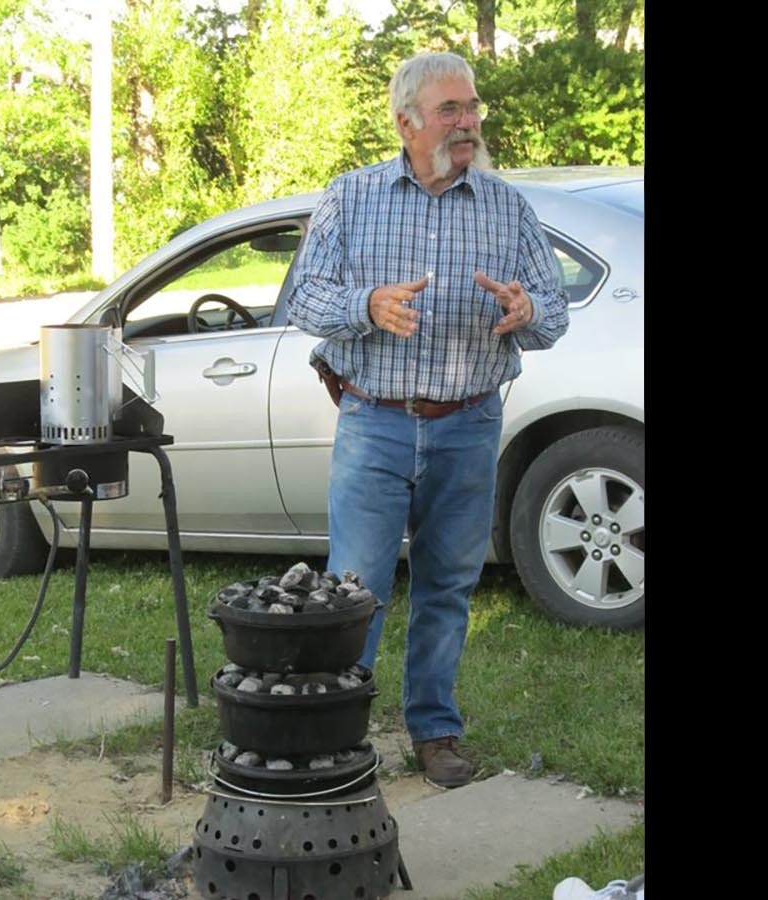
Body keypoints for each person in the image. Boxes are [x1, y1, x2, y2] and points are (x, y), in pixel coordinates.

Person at [287, 51, 569, 788]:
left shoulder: (506, 205)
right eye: (452, 110)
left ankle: (434, 730)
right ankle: (338, 737)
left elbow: (554, 310)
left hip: (468, 424)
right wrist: (367, 306)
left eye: (472, 107)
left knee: (448, 586)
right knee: (355, 589)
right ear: (406, 121)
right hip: (374, 422)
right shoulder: (352, 197)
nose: (469, 122)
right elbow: (303, 298)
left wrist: (526, 310)